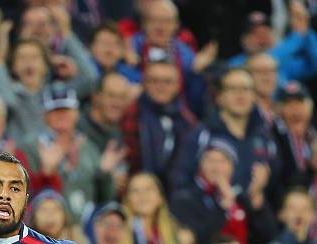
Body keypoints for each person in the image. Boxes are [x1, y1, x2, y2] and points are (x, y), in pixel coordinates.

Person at [172, 68, 278, 196]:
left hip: (253, 213)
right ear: (219, 97)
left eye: (246, 89)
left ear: (254, 96)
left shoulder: (265, 136)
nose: (240, 95)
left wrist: (257, 193)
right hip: (208, 213)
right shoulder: (202, 135)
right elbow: (179, 181)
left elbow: (276, 183)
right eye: (233, 89)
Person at [21, 82, 118, 221]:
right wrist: (47, 172)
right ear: (44, 115)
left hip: (86, 227)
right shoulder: (30, 147)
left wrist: (105, 175)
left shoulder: (88, 146)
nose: (61, 115)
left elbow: (106, 199)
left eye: (66, 110)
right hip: (46, 228)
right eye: (55, 111)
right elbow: (24, 196)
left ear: (76, 113)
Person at [170, 138, 277, 244]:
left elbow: (268, 237)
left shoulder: (241, 198)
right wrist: (224, 208)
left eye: (222, 161)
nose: (216, 167)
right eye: (210, 160)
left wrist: (256, 196)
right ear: (200, 165)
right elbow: (197, 240)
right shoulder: (185, 199)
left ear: (233, 167)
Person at [124, 59, 197, 187]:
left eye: (167, 82)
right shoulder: (129, 114)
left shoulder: (188, 121)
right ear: (144, 83)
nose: (161, 87)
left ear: (177, 85)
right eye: (154, 81)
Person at [119, 172, 182, 244]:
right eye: (135, 191)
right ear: (128, 199)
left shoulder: (174, 228)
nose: (142, 195)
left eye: (148, 189)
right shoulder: (119, 232)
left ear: (160, 197)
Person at [271, 81, 315, 197]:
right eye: (289, 104)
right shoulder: (274, 136)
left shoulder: (313, 135)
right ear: (279, 110)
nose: (296, 110)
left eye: (300, 103)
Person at [78, 72, 130, 154]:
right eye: (111, 96)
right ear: (95, 97)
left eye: (122, 97)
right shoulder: (77, 128)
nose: (117, 103)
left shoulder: (116, 132)